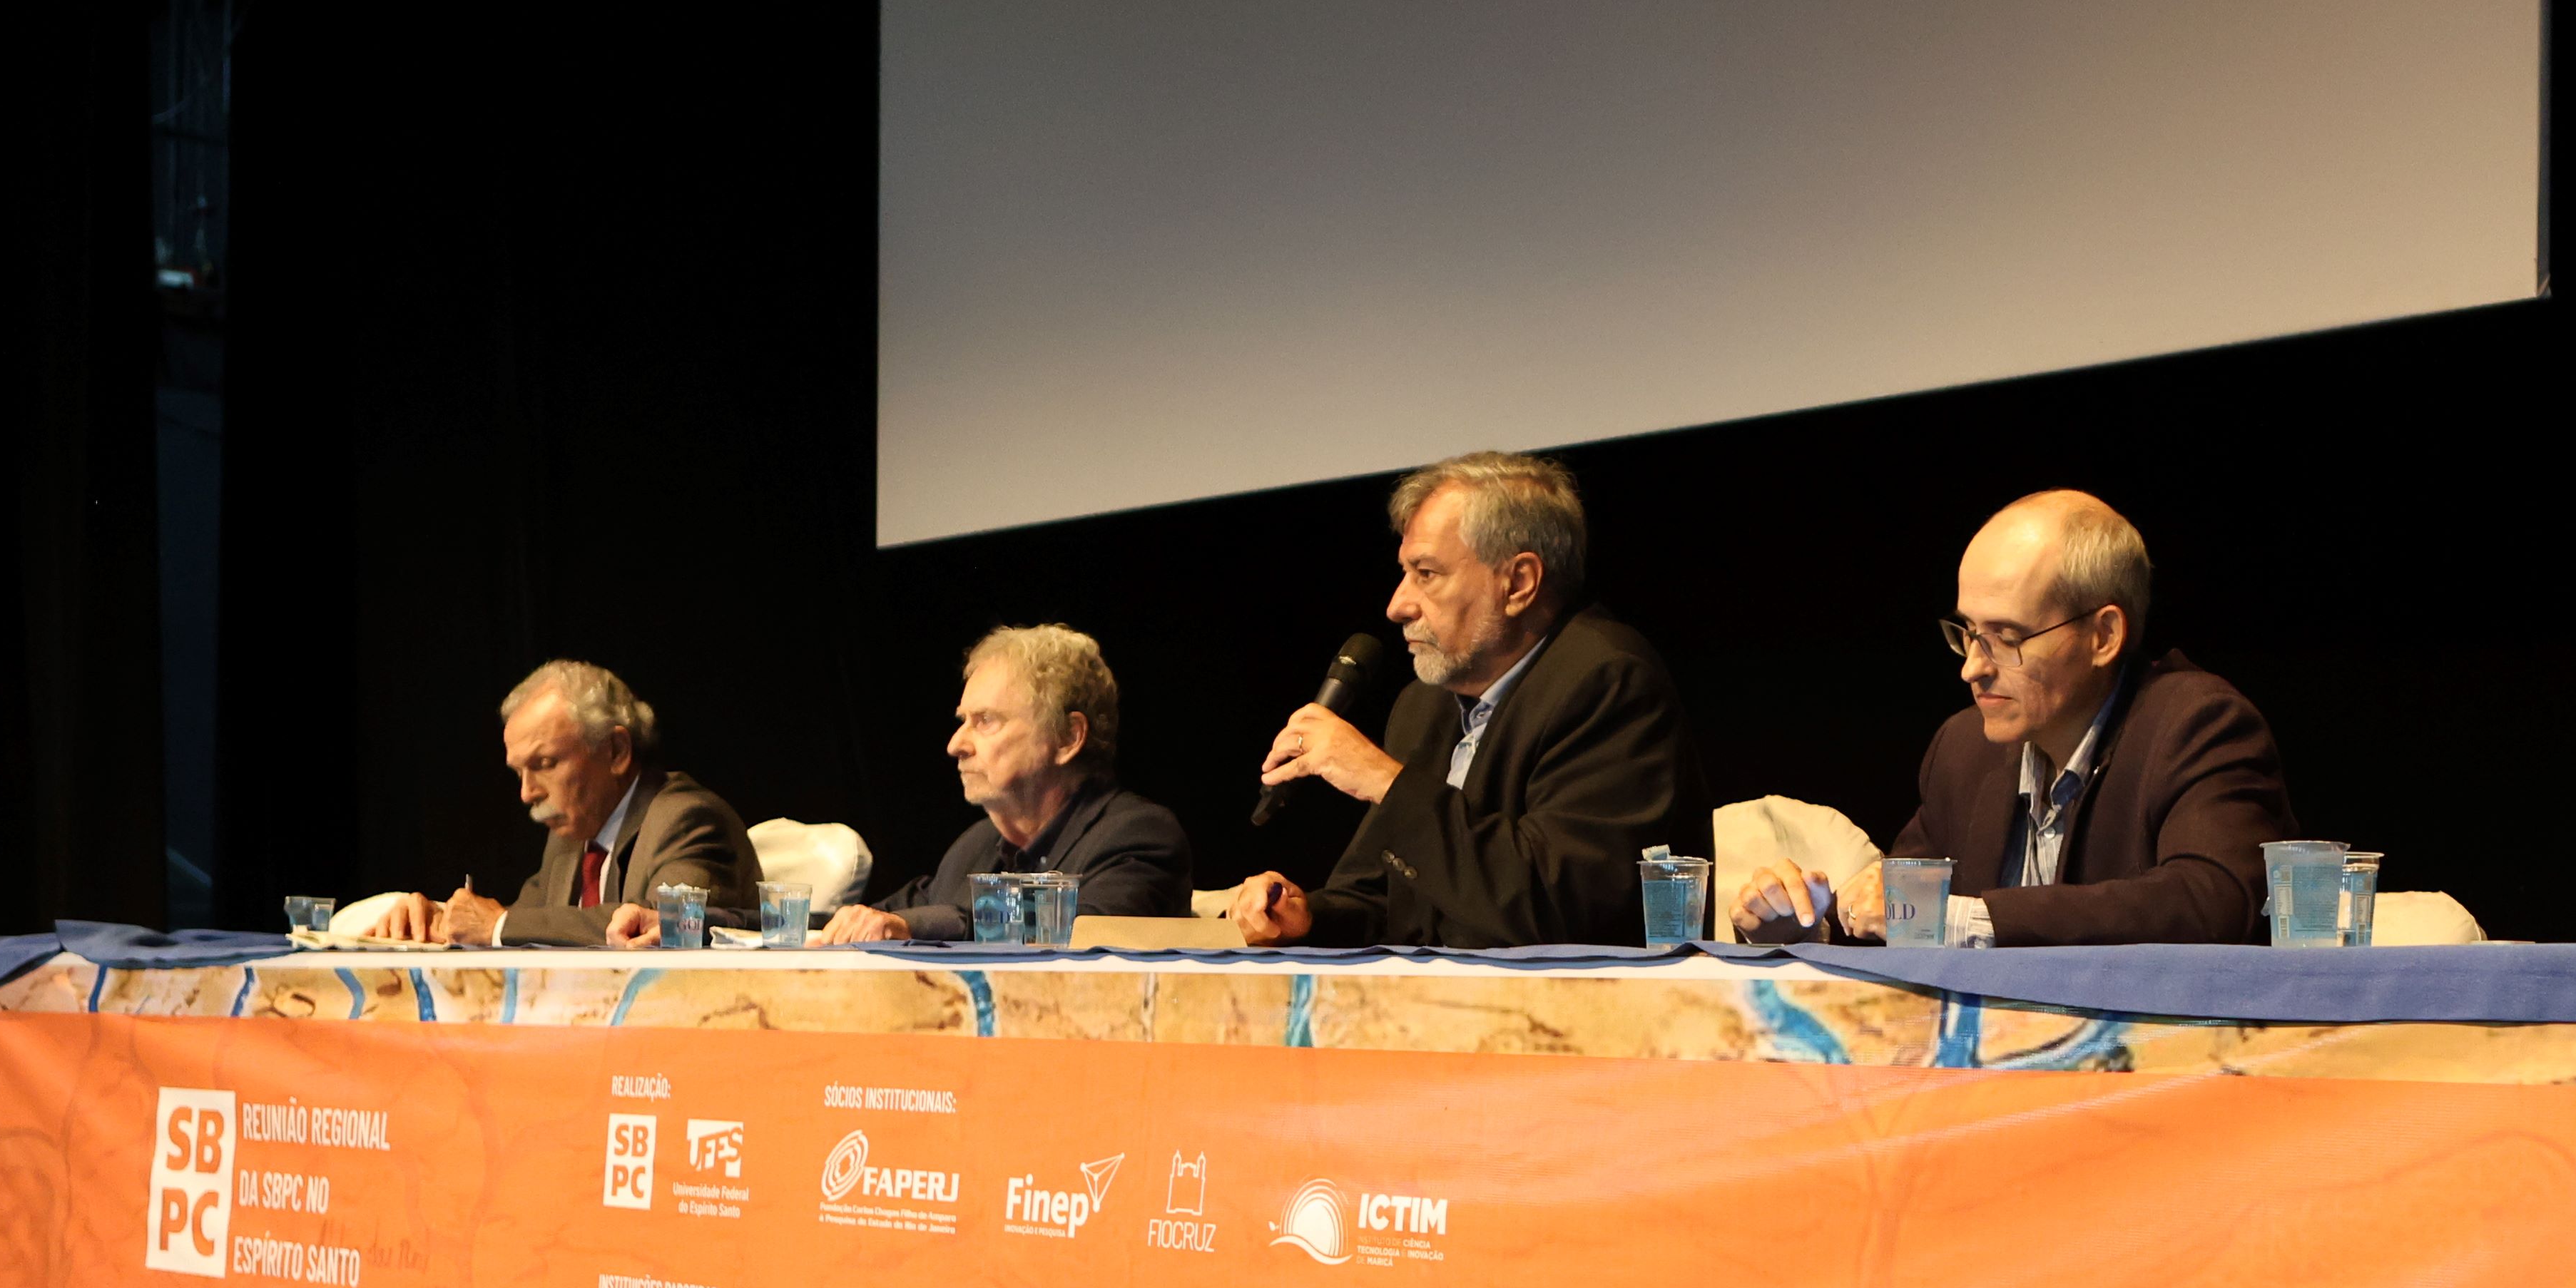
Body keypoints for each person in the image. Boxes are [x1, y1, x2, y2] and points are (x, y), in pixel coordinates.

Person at [1727, 489, 2291, 945]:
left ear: (2104, 636)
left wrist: (1977, 920)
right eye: (1969, 633)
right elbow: (1898, 918)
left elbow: (2212, 899)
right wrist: (1802, 926)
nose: (1973, 668)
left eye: (2006, 638)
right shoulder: (1964, 747)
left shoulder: (2196, 724)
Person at [1233, 451, 1702, 949]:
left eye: (1427, 574)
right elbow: (1392, 901)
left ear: (1518, 583)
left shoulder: (1609, 683)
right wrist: (1308, 918)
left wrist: (1384, 780)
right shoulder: (1425, 706)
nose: (1397, 605)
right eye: (1405, 572)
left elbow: (1552, 907)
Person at [818, 625, 1191, 944]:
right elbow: (889, 915)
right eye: (963, 720)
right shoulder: (976, 846)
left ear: (1067, 737)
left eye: (985, 721)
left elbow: (1069, 936)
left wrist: (911, 926)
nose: (956, 745)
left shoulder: (1137, 837)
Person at [367, 661, 753, 949]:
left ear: (615, 751)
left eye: (545, 764)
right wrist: (440, 920)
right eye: (519, 772)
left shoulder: (690, 819)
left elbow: (661, 930)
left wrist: (499, 925)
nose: (527, 793)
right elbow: (526, 920)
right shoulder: (572, 838)